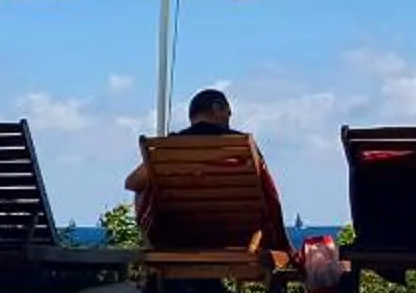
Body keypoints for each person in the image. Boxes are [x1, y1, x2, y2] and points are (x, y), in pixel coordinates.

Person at [124, 87, 291, 247]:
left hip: (183, 233)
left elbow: (131, 183)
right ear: (216, 107)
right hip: (238, 235)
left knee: (144, 187)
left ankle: (155, 244)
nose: (229, 117)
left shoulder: (172, 147)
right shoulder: (241, 147)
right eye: (227, 111)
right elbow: (267, 191)